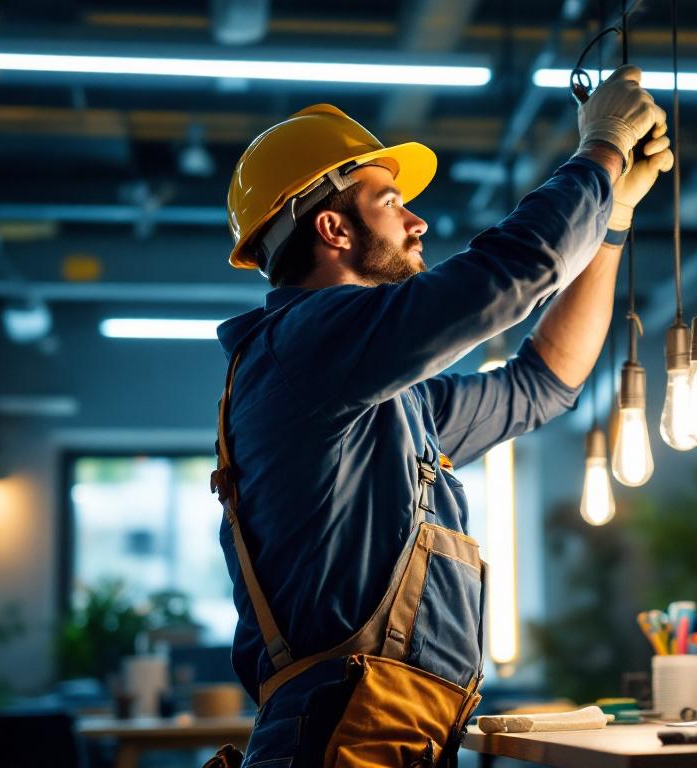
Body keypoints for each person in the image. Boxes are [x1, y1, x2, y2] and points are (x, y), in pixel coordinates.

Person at [214, 65, 672, 766]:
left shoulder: (386, 400)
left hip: (384, 734)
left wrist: (609, 226)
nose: (417, 219)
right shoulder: (305, 344)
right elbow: (503, 280)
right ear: (333, 227)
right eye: (391, 201)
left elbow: (542, 383)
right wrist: (600, 149)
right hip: (339, 740)